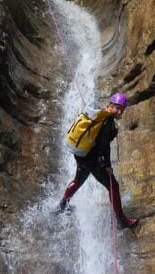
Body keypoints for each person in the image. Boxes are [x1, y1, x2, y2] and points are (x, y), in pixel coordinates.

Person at [57, 92, 138, 229]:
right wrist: (106, 165)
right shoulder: (107, 122)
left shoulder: (98, 114)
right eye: (117, 108)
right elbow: (103, 146)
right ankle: (121, 220)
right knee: (113, 186)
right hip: (92, 158)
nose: (119, 111)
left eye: (121, 109)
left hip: (82, 153)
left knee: (79, 178)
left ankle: (63, 205)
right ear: (111, 105)